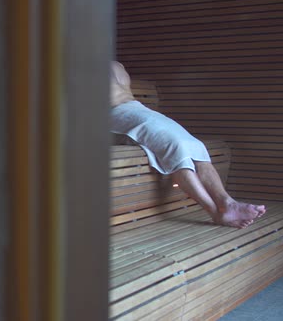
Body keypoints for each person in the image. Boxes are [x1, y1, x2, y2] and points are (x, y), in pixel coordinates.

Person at [110, 61, 265, 229]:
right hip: (113, 115)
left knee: (195, 145)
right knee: (175, 148)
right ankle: (215, 212)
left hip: (135, 109)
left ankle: (227, 202)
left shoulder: (113, 65)